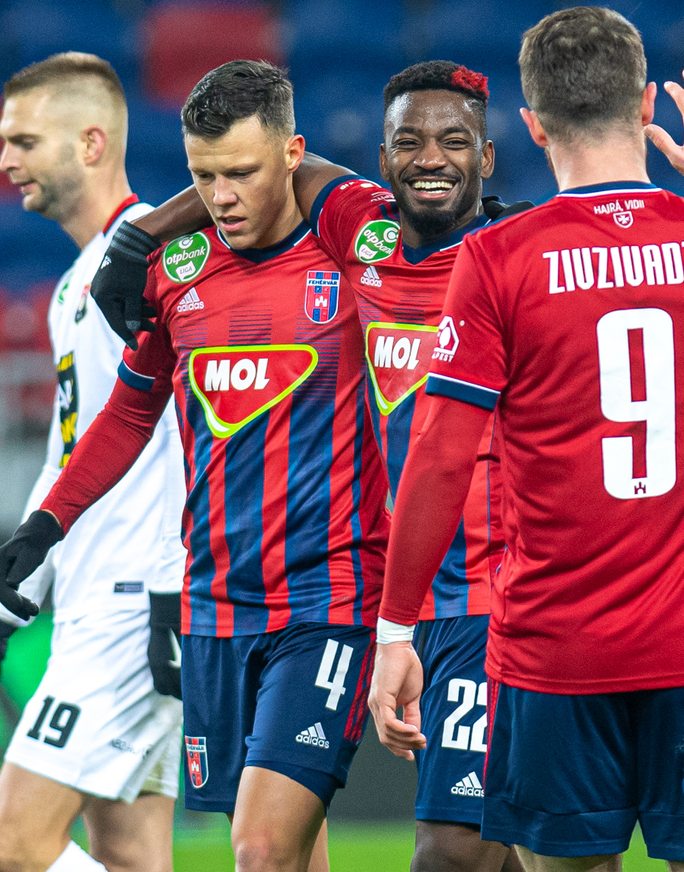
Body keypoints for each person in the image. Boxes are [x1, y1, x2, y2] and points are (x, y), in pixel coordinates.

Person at [367, 7, 684, 872]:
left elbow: (439, 459)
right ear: (646, 108)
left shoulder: (498, 259)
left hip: (553, 652)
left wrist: (395, 630)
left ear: (531, 126)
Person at [97, 59, 529, 872]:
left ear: (488, 155)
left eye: (453, 141)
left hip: (492, 587)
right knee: (487, 847)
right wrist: (142, 234)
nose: (430, 158)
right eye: (409, 141)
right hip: (402, 593)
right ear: (382, 157)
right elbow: (270, 168)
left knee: (464, 848)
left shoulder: (518, 256)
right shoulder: (359, 233)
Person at [0, 60, 387, 872]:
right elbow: (130, 412)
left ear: (293, 155)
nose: (222, 196)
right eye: (204, 177)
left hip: (329, 598)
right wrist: (48, 522)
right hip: (218, 606)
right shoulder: (179, 271)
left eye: (241, 172)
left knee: (259, 847)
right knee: (284, 850)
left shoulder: (350, 259)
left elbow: (412, 218)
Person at [0, 52, 186, 872]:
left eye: (23, 140)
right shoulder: (74, 285)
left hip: (134, 603)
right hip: (95, 599)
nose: (3, 159)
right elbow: (67, 459)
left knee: (14, 843)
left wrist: (171, 587)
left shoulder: (156, 262)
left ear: (90, 142)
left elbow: (193, 433)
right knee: (129, 853)